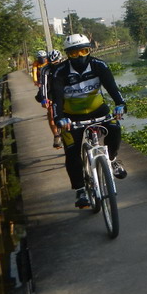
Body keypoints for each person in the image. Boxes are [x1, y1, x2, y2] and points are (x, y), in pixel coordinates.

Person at [50, 34, 128, 209]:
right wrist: (59, 118)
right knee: (72, 151)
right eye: (74, 53)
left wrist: (120, 105)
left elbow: (113, 88)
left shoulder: (99, 65)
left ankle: (112, 160)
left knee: (115, 128)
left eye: (84, 51)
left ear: (89, 50)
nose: (80, 56)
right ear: (68, 54)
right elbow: (57, 99)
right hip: (71, 117)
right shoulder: (60, 71)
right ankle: (80, 190)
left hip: (99, 110)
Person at [34, 49, 64, 148]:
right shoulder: (45, 69)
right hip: (49, 91)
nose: (54, 65)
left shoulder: (65, 66)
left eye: (56, 63)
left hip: (62, 91)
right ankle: (56, 135)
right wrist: (44, 99)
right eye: (51, 63)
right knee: (51, 113)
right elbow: (43, 85)